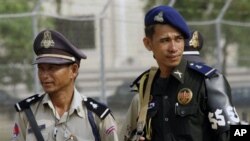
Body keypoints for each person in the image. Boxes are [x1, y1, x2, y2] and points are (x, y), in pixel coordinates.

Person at [119, 5, 240, 141]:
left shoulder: (208, 81)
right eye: (165, 40)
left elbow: (238, 134)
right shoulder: (147, 87)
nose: (173, 48)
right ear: (148, 44)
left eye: (178, 39)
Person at [12, 29, 118, 141]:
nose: (44, 75)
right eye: (41, 69)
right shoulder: (27, 113)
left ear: (73, 70)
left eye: (52, 68)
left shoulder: (97, 117)